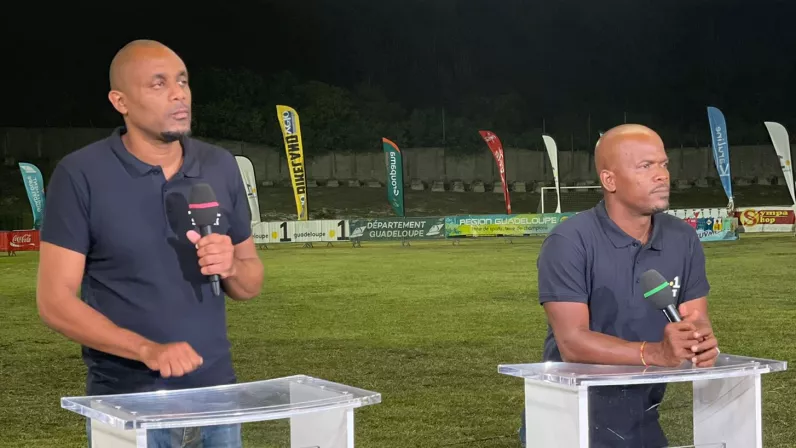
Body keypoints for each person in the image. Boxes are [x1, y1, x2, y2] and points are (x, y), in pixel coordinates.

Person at [36, 39, 264, 448]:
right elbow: (55, 301)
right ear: (120, 101)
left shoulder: (220, 165)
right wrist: (146, 350)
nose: (179, 94)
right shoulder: (81, 174)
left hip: (217, 399)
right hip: (126, 403)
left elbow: (250, 284)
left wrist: (231, 265)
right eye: (159, 84)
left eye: (182, 81)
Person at [521, 124, 720, 447]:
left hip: (643, 420)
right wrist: (656, 352)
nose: (662, 175)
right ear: (609, 180)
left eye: (664, 164)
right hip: (568, 420)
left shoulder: (682, 238)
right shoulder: (569, 241)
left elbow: (695, 318)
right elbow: (572, 341)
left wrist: (698, 341)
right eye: (646, 166)